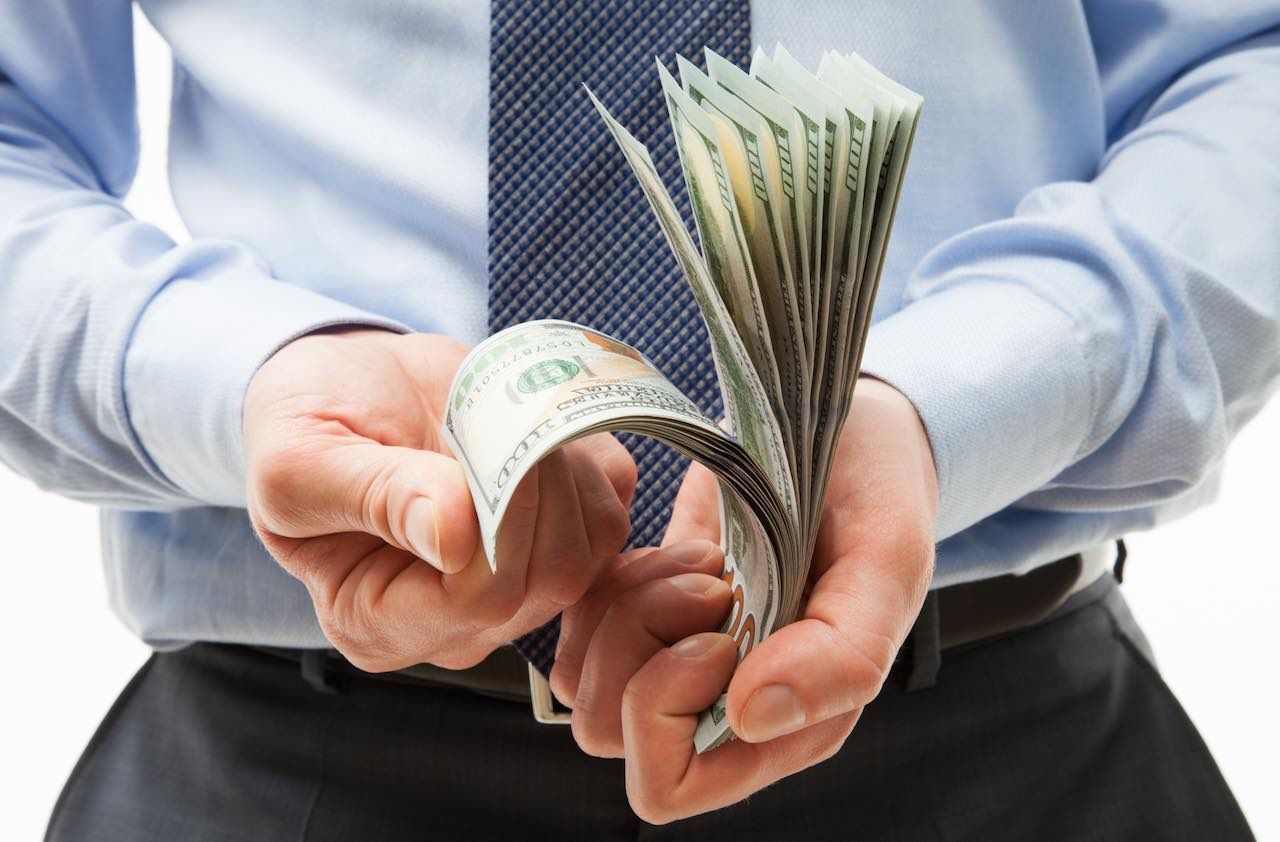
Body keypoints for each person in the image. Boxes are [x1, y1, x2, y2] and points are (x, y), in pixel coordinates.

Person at [2, 1, 1276, 839]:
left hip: (1023, 759)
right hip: (273, 768)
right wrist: (251, 376)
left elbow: (1246, 63)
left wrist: (949, 400)